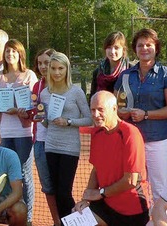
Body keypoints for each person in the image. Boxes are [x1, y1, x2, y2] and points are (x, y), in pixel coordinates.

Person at [113, 28, 167, 205]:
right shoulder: (125, 76)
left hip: (158, 140)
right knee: (133, 188)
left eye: (149, 45)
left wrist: (146, 115)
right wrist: (122, 112)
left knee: (160, 189)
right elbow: (115, 108)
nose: (144, 48)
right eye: (140, 45)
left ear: (156, 48)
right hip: (131, 142)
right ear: (135, 49)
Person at [72, 91, 149, 226]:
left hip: (131, 209)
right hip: (106, 203)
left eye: (100, 110)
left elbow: (130, 180)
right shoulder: (97, 132)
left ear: (114, 109)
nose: (95, 115)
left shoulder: (131, 134)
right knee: (77, 219)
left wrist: (101, 193)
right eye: (93, 110)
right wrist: (87, 198)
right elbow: (96, 169)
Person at [0, 39, 38, 222]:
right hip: (4, 133)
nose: (10, 55)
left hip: (23, 133)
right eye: (8, 52)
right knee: (5, 173)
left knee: (24, 175)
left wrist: (20, 111)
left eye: (14, 52)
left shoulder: (29, 76)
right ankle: (8, 212)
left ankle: (28, 217)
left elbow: (35, 105)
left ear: (20, 54)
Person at [40, 52, 93, 218]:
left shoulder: (76, 92)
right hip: (51, 145)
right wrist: (42, 119)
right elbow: (47, 121)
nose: (57, 72)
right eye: (53, 68)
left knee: (64, 192)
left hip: (70, 147)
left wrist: (69, 121)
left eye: (61, 68)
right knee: (56, 191)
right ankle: (65, 222)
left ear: (67, 69)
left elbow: (89, 119)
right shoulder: (44, 93)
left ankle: (78, 220)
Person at [27, 48, 59, 225]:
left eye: (46, 62)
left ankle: (66, 219)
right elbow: (33, 111)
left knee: (62, 187)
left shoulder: (63, 85)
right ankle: (56, 221)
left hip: (60, 142)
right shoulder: (37, 86)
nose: (43, 66)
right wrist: (28, 113)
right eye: (40, 63)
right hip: (40, 142)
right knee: (48, 187)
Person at [89, 31, 130, 97]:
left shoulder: (131, 70)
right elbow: (92, 96)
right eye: (109, 47)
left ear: (123, 49)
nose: (112, 51)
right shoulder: (98, 72)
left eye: (116, 48)